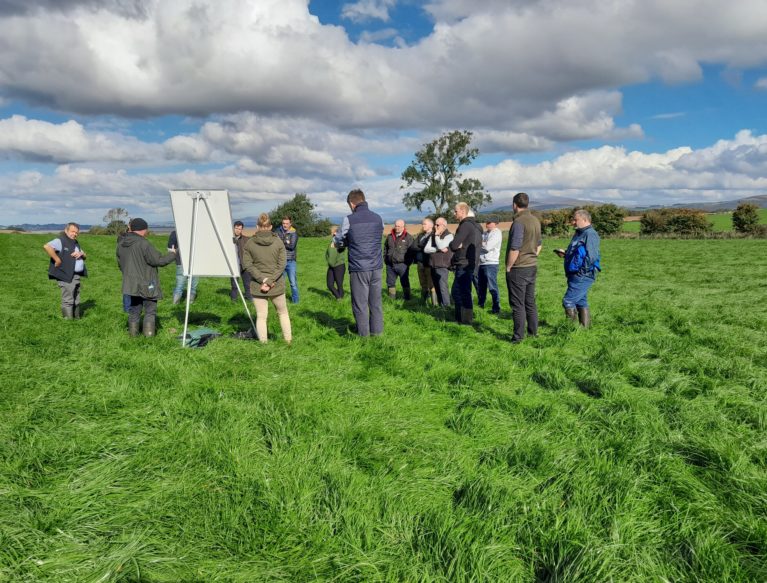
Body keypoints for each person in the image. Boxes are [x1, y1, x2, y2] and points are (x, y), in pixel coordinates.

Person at [333, 189, 385, 336]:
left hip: (358, 267)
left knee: (360, 304)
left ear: (351, 203)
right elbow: (376, 237)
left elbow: (338, 240)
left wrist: (342, 240)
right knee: (375, 303)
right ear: (363, 200)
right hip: (376, 267)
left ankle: (364, 336)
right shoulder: (378, 218)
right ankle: (377, 334)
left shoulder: (349, 219)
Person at [117, 218, 176, 337]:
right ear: (144, 229)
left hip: (130, 283)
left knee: (134, 310)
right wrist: (173, 254)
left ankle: (133, 336)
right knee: (150, 311)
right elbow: (158, 260)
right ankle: (149, 339)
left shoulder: (121, 243)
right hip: (147, 283)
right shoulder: (144, 243)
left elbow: (120, 264)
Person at [243, 213, 292, 344]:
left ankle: (264, 344)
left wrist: (263, 280)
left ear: (257, 226)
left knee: (261, 316)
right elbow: (282, 265)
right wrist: (270, 281)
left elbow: (247, 264)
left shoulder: (249, 243)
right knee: (283, 313)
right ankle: (288, 342)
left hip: (257, 285)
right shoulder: (278, 242)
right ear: (270, 226)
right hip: (277, 285)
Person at [505, 192, 542, 343]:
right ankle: (533, 333)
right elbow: (539, 245)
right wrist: (532, 256)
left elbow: (515, 248)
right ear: (527, 204)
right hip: (532, 265)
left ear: (514, 204)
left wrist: (508, 266)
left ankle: (518, 337)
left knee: (517, 304)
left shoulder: (519, 222)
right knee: (530, 302)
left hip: (519, 268)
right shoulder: (535, 220)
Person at [556, 209, 601, 328]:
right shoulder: (579, 233)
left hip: (583, 274)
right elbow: (579, 253)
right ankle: (584, 330)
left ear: (585, 219)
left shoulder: (590, 234)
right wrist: (565, 254)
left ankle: (570, 330)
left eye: (575, 220)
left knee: (568, 301)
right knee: (581, 301)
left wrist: (581, 273)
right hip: (574, 272)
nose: (573, 222)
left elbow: (592, 256)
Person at [43, 222, 87, 319]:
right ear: (66, 230)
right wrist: (57, 259)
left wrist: (80, 254)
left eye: (76, 232)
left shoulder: (75, 242)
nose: (74, 234)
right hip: (65, 274)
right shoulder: (60, 240)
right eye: (72, 231)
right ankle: (68, 321)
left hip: (75, 275)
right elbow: (47, 246)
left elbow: (85, 255)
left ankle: (76, 318)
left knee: (76, 298)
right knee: (68, 299)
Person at [449, 202, 483, 324]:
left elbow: (453, 245)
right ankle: (460, 318)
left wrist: (458, 245)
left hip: (463, 263)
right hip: (468, 263)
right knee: (461, 291)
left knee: (462, 292)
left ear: (463, 211)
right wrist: (461, 245)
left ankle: (466, 320)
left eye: (456, 211)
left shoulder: (465, 225)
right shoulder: (474, 225)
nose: (454, 213)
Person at [424, 217, 453, 307]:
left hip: (443, 265)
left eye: (437, 225)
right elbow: (426, 249)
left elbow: (441, 245)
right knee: (437, 287)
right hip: (433, 264)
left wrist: (436, 236)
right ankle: (441, 305)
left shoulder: (449, 235)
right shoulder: (432, 235)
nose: (435, 226)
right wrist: (438, 249)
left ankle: (446, 306)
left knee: (443, 287)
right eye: (435, 224)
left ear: (444, 226)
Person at [383, 219, 415, 300]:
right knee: (390, 283)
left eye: (399, 226)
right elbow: (385, 248)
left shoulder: (408, 237)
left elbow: (412, 251)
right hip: (390, 264)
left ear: (403, 227)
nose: (397, 228)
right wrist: (386, 259)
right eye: (396, 226)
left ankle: (407, 299)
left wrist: (407, 263)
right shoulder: (390, 236)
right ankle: (392, 300)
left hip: (402, 265)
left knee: (404, 282)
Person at [477, 217, 502, 314]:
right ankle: (480, 306)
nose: (486, 223)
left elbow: (487, 247)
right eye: (486, 222)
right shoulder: (485, 233)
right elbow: (481, 244)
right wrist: (482, 243)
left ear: (495, 223)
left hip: (491, 263)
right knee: (481, 287)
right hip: (481, 262)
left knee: (492, 287)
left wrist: (480, 243)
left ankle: (496, 308)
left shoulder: (496, 233)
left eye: (489, 222)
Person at [167, 230, 199, 305]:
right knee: (192, 284)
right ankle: (189, 301)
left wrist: (175, 253)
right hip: (193, 261)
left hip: (184, 261)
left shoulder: (176, 232)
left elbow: (170, 248)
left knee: (181, 283)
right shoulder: (196, 230)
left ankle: (176, 302)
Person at [274, 216, 299, 303]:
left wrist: (281, 241)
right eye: (283, 223)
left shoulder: (294, 233)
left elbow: (292, 246)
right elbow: (274, 244)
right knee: (281, 283)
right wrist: (285, 242)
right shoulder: (277, 231)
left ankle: (296, 301)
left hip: (290, 261)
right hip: (280, 260)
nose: (285, 225)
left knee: (293, 283)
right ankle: (281, 301)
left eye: (287, 223)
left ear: (290, 224)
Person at [414, 218, 438, 305]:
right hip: (420, 263)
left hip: (429, 263)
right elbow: (414, 246)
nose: (423, 225)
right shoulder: (421, 235)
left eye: (425, 224)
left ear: (431, 225)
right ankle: (423, 303)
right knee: (423, 284)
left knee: (431, 284)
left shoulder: (434, 235)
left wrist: (421, 247)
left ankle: (434, 304)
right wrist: (422, 247)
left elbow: (431, 249)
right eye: (422, 224)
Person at [230, 220, 252, 302]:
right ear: (233, 228)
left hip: (244, 265)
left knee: (247, 283)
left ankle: (249, 298)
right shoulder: (229, 239)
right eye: (236, 228)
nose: (238, 230)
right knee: (234, 284)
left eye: (240, 229)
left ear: (242, 230)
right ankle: (234, 299)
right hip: (234, 265)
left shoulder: (246, 239)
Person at [325, 226, 346, 299]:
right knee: (329, 284)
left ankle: (340, 300)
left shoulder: (340, 242)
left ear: (335, 232)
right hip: (331, 266)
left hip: (339, 266)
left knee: (339, 285)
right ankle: (339, 297)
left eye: (332, 231)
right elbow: (328, 254)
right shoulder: (332, 241)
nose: (331, 233)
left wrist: (330, 262)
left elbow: (333, 256)